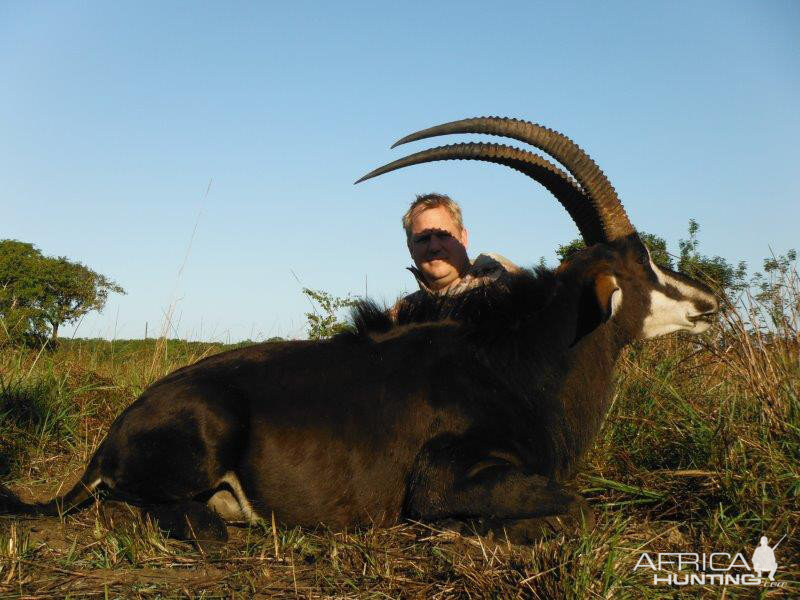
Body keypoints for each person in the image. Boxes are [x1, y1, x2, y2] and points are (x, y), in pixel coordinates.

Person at [396, 193, 519, 310]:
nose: (434, 247)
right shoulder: (401, 315)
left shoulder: (513, 289)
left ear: (463, 238)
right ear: (410, 248)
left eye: (443, 235)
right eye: (423, 239)